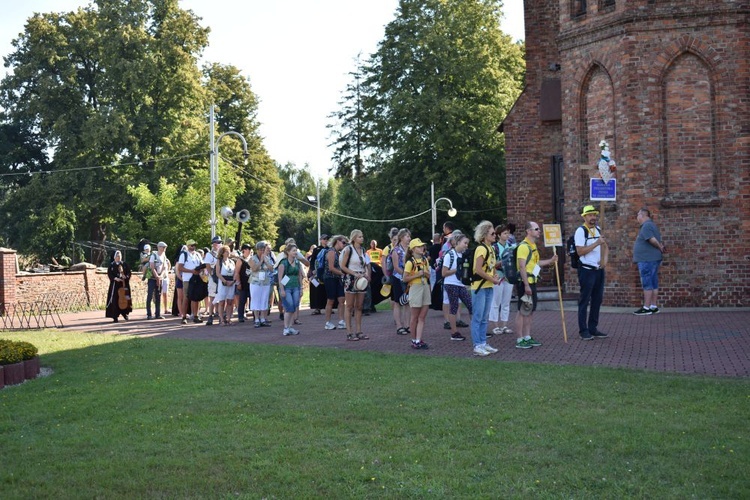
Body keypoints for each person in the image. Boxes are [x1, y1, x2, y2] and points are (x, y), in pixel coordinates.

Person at [515, 221, 558, 348]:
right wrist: (526, 285)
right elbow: (522, 266)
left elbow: (535, 264)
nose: (539, 231)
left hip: (532, 282)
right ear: (528, 231)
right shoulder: (523, 246)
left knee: (530, 310)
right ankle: (519, 339)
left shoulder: (533, 246)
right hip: (525, 283)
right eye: (536, 229)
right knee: (522, 311)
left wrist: (550, 261)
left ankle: (527, 336)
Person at [575, 205, 609, 340]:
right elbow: (580, 251)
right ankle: (583, 330)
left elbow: (605, 246)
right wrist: (596, 243)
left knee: (597, 300)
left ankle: (593, 328)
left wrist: (604, 261)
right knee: (585, 300)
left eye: (594, 215)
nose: (593, 217)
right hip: (586, 270)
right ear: (584, 217)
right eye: (589, 215)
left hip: (598, 270)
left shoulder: (598, 229)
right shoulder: (581, 231)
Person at [469, 221, 502, 356]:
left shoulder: (491, 249)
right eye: (492, 233)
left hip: (488, 286)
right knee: (478, 316)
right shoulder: (481, 249)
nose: (495, 235)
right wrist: (492, 279)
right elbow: (477, 269)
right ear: (484, 235)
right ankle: (477, 344)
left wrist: (494, 275)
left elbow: (490, 267)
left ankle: (482, 342)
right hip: (479, 287)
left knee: (484, 317)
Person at [633, 207, 665, 315]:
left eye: (638, 215)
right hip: (652, 259)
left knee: (647, 282)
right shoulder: (651, 225)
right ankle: (653, 306)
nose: (637, 217)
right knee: (653, 282)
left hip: (647, 259)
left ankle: (646, 308)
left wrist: (659, 247)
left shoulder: (646, 226)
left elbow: (651, 239)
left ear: (643, 215)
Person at [340, 229, 370, 341]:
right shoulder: (348, 249)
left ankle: (359, 331)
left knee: (359, 306)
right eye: (359, 237)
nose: (362, 238)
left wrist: (366, 274)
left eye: (362, 236)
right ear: (354, 238)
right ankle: (349, 332)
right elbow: (343, 266)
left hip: (361, 278)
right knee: (349, 306)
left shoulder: (363, 250)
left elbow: (366, 264)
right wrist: (353, 273)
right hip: (351, 278)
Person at [442, 232, 471, 342]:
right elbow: (444, 273)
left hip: (460, 284)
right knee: (454, 307)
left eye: (467, 243)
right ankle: (454, 332)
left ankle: (476, 329)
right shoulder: (450, 255)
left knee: (470, 305)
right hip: (451, 284)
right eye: (465, 243)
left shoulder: (463, 255)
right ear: (457, 243)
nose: (466, 245)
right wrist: (457, 270)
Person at [403, 238, 431, 349]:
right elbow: (405, 278)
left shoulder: (425, 260)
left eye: (422, 246)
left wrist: (425, 274)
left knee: (422, 316)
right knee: (414, 317)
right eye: (419, 247)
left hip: (425, 286)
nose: (422, 248)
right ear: (413, 249)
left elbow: (429, 274)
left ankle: (418, 339)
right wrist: (418, 274)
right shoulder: (410, 262)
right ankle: (414, 339)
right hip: (415, 287)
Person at [488, 224, 515, 336]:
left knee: (506, 302)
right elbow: (492, 264)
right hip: (498, 276)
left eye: (508, 233)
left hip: (508, 277)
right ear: (499, 235)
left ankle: (504, 325)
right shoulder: (494, 248)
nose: (507, 235)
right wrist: (502, 263)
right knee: (496, 301)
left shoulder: (511, 246)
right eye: (504, 233)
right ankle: (495, 326)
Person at [278, 243, 304, 336]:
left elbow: (299, 275)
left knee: (294, 306)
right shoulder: (283, 263)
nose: (295, 252)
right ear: (288, 252)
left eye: (296, 250)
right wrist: (282, 290)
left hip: (296, 286)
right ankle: (286, 327)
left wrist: (301, 287)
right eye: (293, 250)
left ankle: (290, 326)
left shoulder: (297, 262)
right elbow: (280, 278)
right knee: (289, 306)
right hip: (287, 287)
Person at [389, 228, 412, 336]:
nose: (409, 239)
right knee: (398, 302)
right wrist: (405, 274)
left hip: (409, 278)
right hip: (398, 278)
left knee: (407, 301)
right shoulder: (396, 250)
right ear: (402, 237)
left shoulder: (411, 249)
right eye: (407, 236)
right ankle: (399, 326)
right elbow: (396, 266)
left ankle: (407, 324)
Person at [177, 239, 204, 325]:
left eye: (194, 245)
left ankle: (195, 316)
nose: (193, 247)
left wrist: (200, 269)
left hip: (197, 279)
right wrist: (192, 271)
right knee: (186, 297)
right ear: (188, 246)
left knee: (196, 298)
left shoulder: (198, 255)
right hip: (187, 279)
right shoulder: (184, 255)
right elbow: (180, 268)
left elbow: (202, 264)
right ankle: (184, 317)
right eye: (192, 245)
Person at [323, 235, 347, 331]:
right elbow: (331, 268)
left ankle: (341, 321)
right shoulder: (331, 252)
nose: (344, 245)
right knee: (331, 300)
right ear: (337, 241)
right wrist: (342, 273)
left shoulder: (339, 252)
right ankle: (327, 322)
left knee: (342, 299)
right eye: (343, 242)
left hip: (338, 279)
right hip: (330, 278)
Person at [249, 241, 273, 328]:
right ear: (257, 250)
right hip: (255, 282)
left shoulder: (267, 258)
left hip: (265, 282)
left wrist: (266, 261)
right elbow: (254, 268)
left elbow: (271, 269)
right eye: (260, 250)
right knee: (256, 299)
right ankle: (256, 319)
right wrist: (261, 261)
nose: (262, 252)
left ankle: (263, 318)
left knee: (264, 300)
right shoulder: (252, 259)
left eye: (263, 250)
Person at [105, 250, 132, 323]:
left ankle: (125, 314)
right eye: (117, 256)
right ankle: (115, 316)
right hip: (115, 285)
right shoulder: (112, 265)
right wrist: (115, 278)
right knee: (115, 300)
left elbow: (129, 273)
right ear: (114, 257)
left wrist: (125, 277)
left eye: (119, 256)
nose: (118, 257)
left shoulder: (124, 264)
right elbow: (110, 274)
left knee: (125, 299)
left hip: (123, 285)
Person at [215, 244, 238, 326]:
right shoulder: (219, 261)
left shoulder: (232, 262)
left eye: (229, 251)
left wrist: (233, 281)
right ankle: (221, 319)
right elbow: (218, 273)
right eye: (226, 251)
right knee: (221, 301)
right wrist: (224, 281)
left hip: (231, 282)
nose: (228, 253)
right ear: (222, 253)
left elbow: (235, 272)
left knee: (230, 301)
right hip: (223, 282)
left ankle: (228, 318)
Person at [203, 236, 222, 325]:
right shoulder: (209, 254)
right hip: (213, 277)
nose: (219, 244)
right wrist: (212, 275)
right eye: (217, 242)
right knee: (212, 297)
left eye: (220, 242)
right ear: (214, 244)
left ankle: (219, 313)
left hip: (221, 276)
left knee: (221, 296)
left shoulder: (221, 254)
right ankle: (211, 314)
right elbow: (207, 265)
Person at [308, 234, 330, 315]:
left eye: (327, 239)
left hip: (327, 272)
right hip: (317, 272)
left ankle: (329, 307)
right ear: (321, 240)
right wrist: (312, 270)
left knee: (327, 290)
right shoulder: (316, 249)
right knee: (316, 289)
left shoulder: (330, 249)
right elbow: (312, 260)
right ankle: (317, 308)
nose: (326, 240)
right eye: (324, 239)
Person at [146, 241, 168, 320]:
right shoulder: (154, 255)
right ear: (159, 247)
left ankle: (157, 314)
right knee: (150, 295)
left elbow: (164, 267)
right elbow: (152, 266)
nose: (164, 248)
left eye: (165, 247)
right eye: (163, 247)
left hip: (160, 277)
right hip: (152, 278)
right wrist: (156, 276)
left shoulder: (164, 256)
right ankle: (149, 314)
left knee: (158, 295)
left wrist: (161, 276)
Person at [236, 243, 253, 323]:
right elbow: (237, 272)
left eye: (250, 249)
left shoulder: (251, 259)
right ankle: (240, 316)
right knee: (242, 300)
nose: (249, 250)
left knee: (252, 299)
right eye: (247, 249)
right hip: (243, 282)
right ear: (243, 250)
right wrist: (238, 283)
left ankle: (254, 314)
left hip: (251, 282)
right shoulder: (240, 260)